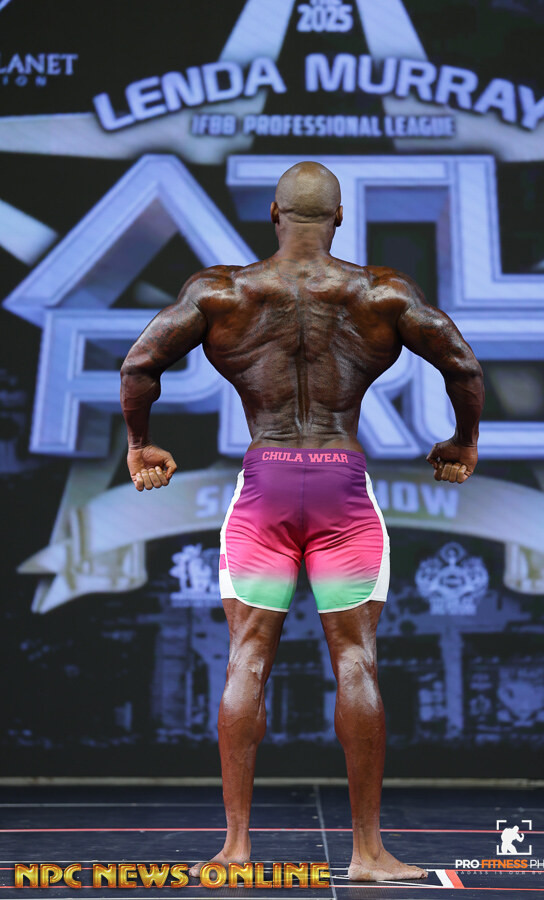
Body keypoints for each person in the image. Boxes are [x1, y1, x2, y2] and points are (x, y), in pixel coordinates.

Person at [120, 161, 484, 883]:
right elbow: (463, 367)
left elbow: (139, 364)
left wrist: (140, 444)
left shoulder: (222, 292)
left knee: (247, 657)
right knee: (356, 659)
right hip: (342, 487)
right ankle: (369, 854)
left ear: (274, 214)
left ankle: (235, 849)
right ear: (340, 217)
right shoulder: (380, 292)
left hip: (266, 485)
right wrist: (463, 441)